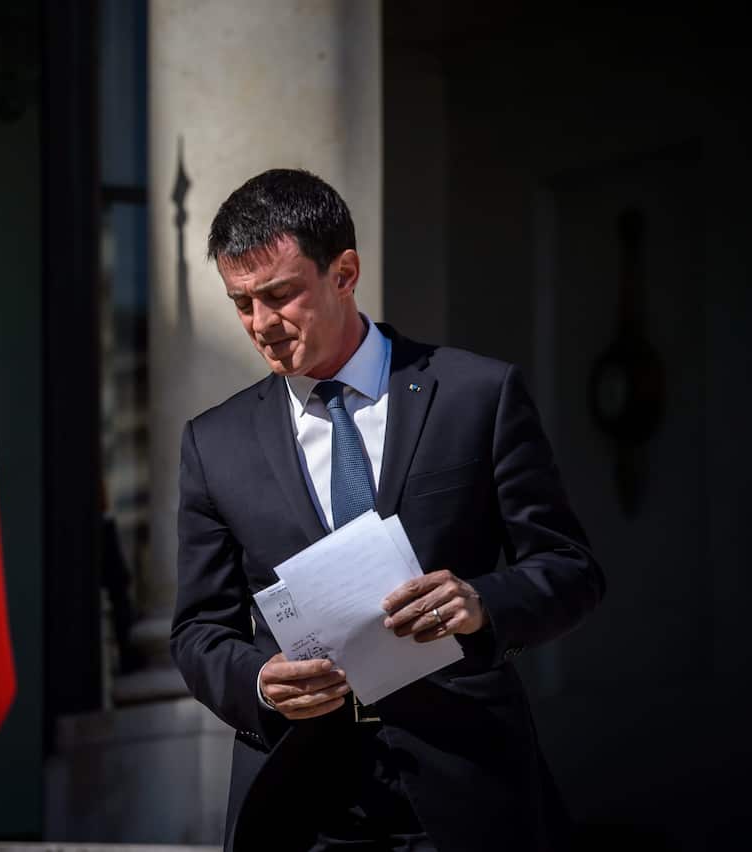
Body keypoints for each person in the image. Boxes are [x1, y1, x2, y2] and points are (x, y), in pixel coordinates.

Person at [170, 169, 604, 851]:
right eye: (242, 303)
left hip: (471, 790)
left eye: (281, 295)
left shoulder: (477, 395)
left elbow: (570, 567)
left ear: (344, 273)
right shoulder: (212, 442)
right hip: (298, 806)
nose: (261, 325)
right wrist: (258, 682)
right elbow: (199, 629)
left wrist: (482, 604)